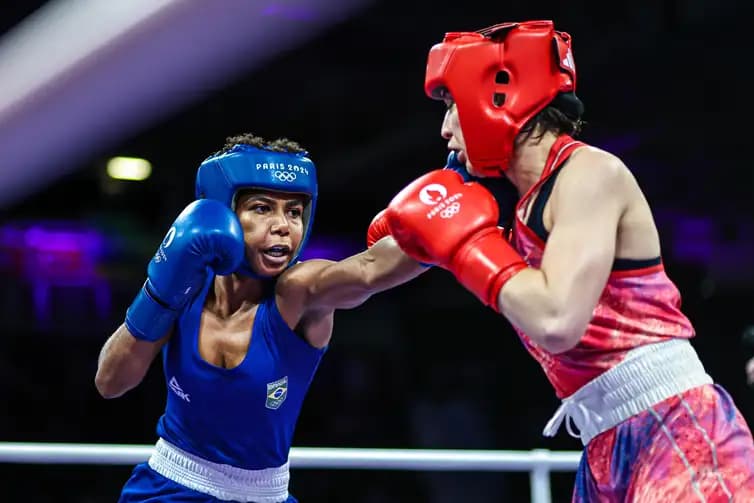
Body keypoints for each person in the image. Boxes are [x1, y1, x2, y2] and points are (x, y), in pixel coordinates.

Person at [376, 20, 754, 501]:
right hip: (603, 443)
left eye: (451, 103)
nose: (444, 127)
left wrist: (468, 247)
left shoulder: (589, 174)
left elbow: (557, 320)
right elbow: (369, 273)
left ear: (499, 96)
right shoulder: (506, 206)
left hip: (677, 426)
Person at [95, 133, 426, 502]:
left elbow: (370, 269)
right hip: (168, 487)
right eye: (262, 208)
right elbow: (110, 382)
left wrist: (457, 215)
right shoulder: (185, 283)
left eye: (295, 211)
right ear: (222, 211)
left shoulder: (298, 293)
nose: (284, 225)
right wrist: (158, 294)